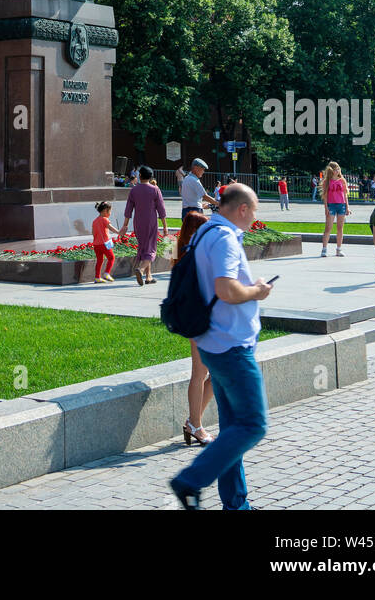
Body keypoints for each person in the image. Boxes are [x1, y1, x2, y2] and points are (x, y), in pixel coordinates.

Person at [170, 183, 273, 511]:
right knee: (253, 424)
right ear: (242, 209)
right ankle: (190, 480)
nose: (255, 217)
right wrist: (256, 291)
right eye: (254, 211)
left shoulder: (205, 232)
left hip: (213, 342)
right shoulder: (225, 238)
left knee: (232, 428)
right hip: (231, 345)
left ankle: (236, 505)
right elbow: (227, 290)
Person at [171, 210, 215, 446]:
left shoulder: (182, 249)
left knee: (214, 373)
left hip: (200, 317)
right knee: (200, 373)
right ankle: (195, 426)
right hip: (197, 318)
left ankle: (193, 422)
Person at [119, 165, 168, 285]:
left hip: (138, 222)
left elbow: (128, 209)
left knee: (144, 247)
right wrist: (165, 227)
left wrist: (125, 225)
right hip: (150, 222)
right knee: (151, 248)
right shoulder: (155, 189)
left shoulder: (134, 190)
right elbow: (161, 210)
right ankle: (141, 270)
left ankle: (148, 277)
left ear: (139, 176)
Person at [320, 160, 350, 257]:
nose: (337, 171)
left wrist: (347, 207)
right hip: (331, 205)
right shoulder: (326, 181)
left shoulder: (342, 180)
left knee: (340, 228)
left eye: (338, 169)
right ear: (331, 170)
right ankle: (324, 249)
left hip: (341, 205)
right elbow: (324, 196)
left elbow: (345, 195)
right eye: (335, 169)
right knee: (328, 228)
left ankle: (339, 249)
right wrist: (326, 208)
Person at [92, 201, 120, 283]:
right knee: (111, 258)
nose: (110, 213)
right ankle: (107, 273)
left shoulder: (94, 221)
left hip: (96, 244)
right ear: (105, 211)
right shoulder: (105, 219)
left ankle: (97, 277)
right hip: (104, 243)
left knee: (99, 260)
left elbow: (93, 233)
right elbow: (111, 228)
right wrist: (119, 232)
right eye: (110, 211)